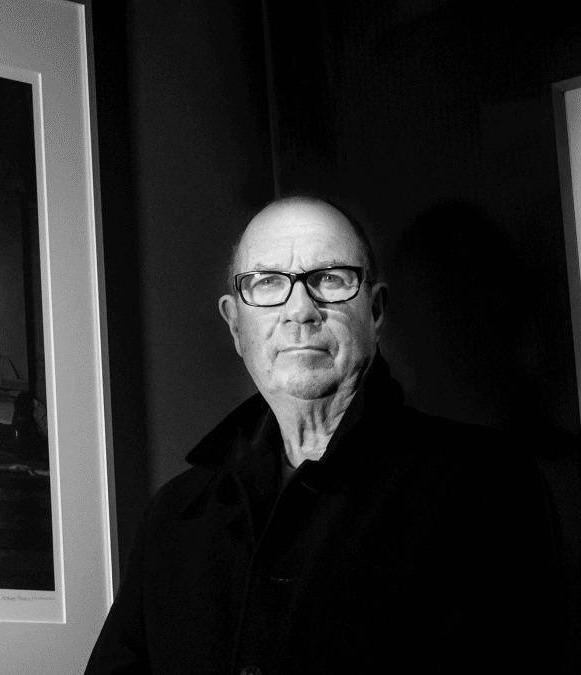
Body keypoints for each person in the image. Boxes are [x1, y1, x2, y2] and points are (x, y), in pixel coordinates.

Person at [86, 196, 566, 673]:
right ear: (235, 324)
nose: (300, 310)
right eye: (268, 282)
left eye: (330, 279)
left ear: (375, 312)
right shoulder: (174, 517)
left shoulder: (486, 484)